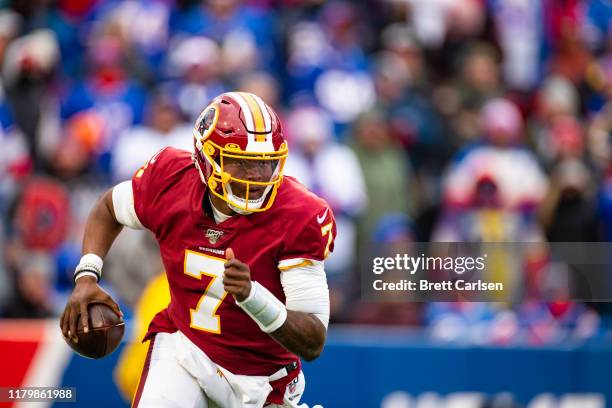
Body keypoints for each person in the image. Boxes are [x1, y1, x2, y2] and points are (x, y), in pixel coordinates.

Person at [60, 92, 335, 408]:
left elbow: (313, 341)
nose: (257, 177)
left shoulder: (299, 213)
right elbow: (108, 209)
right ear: (205, 158)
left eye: (265, 164)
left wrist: (252, 296)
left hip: (260, 381)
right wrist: (87, 275)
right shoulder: (170, 178)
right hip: (185, 349)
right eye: (241, 163)